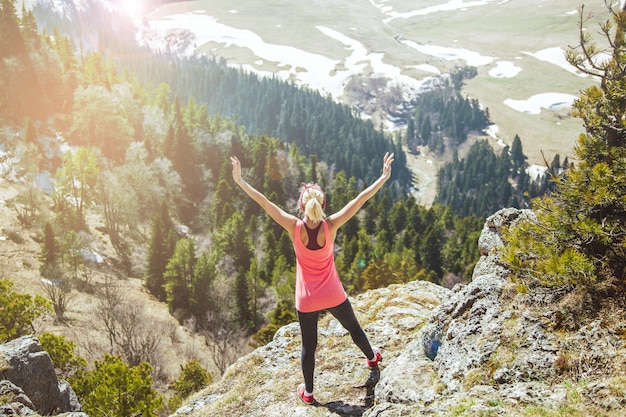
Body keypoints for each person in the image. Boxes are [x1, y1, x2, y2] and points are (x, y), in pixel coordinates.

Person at [230, 152, 394, 405]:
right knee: (353, 328)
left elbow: (263, 202)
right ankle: (372, 357)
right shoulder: (332, 225)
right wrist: (383, 178)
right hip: (333, 293)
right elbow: (360, 199)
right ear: (322, 204)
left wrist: (240, 181)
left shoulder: (293, 226)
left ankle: (309, 393)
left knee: (309, 345)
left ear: (301, 205)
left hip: (306, 299)